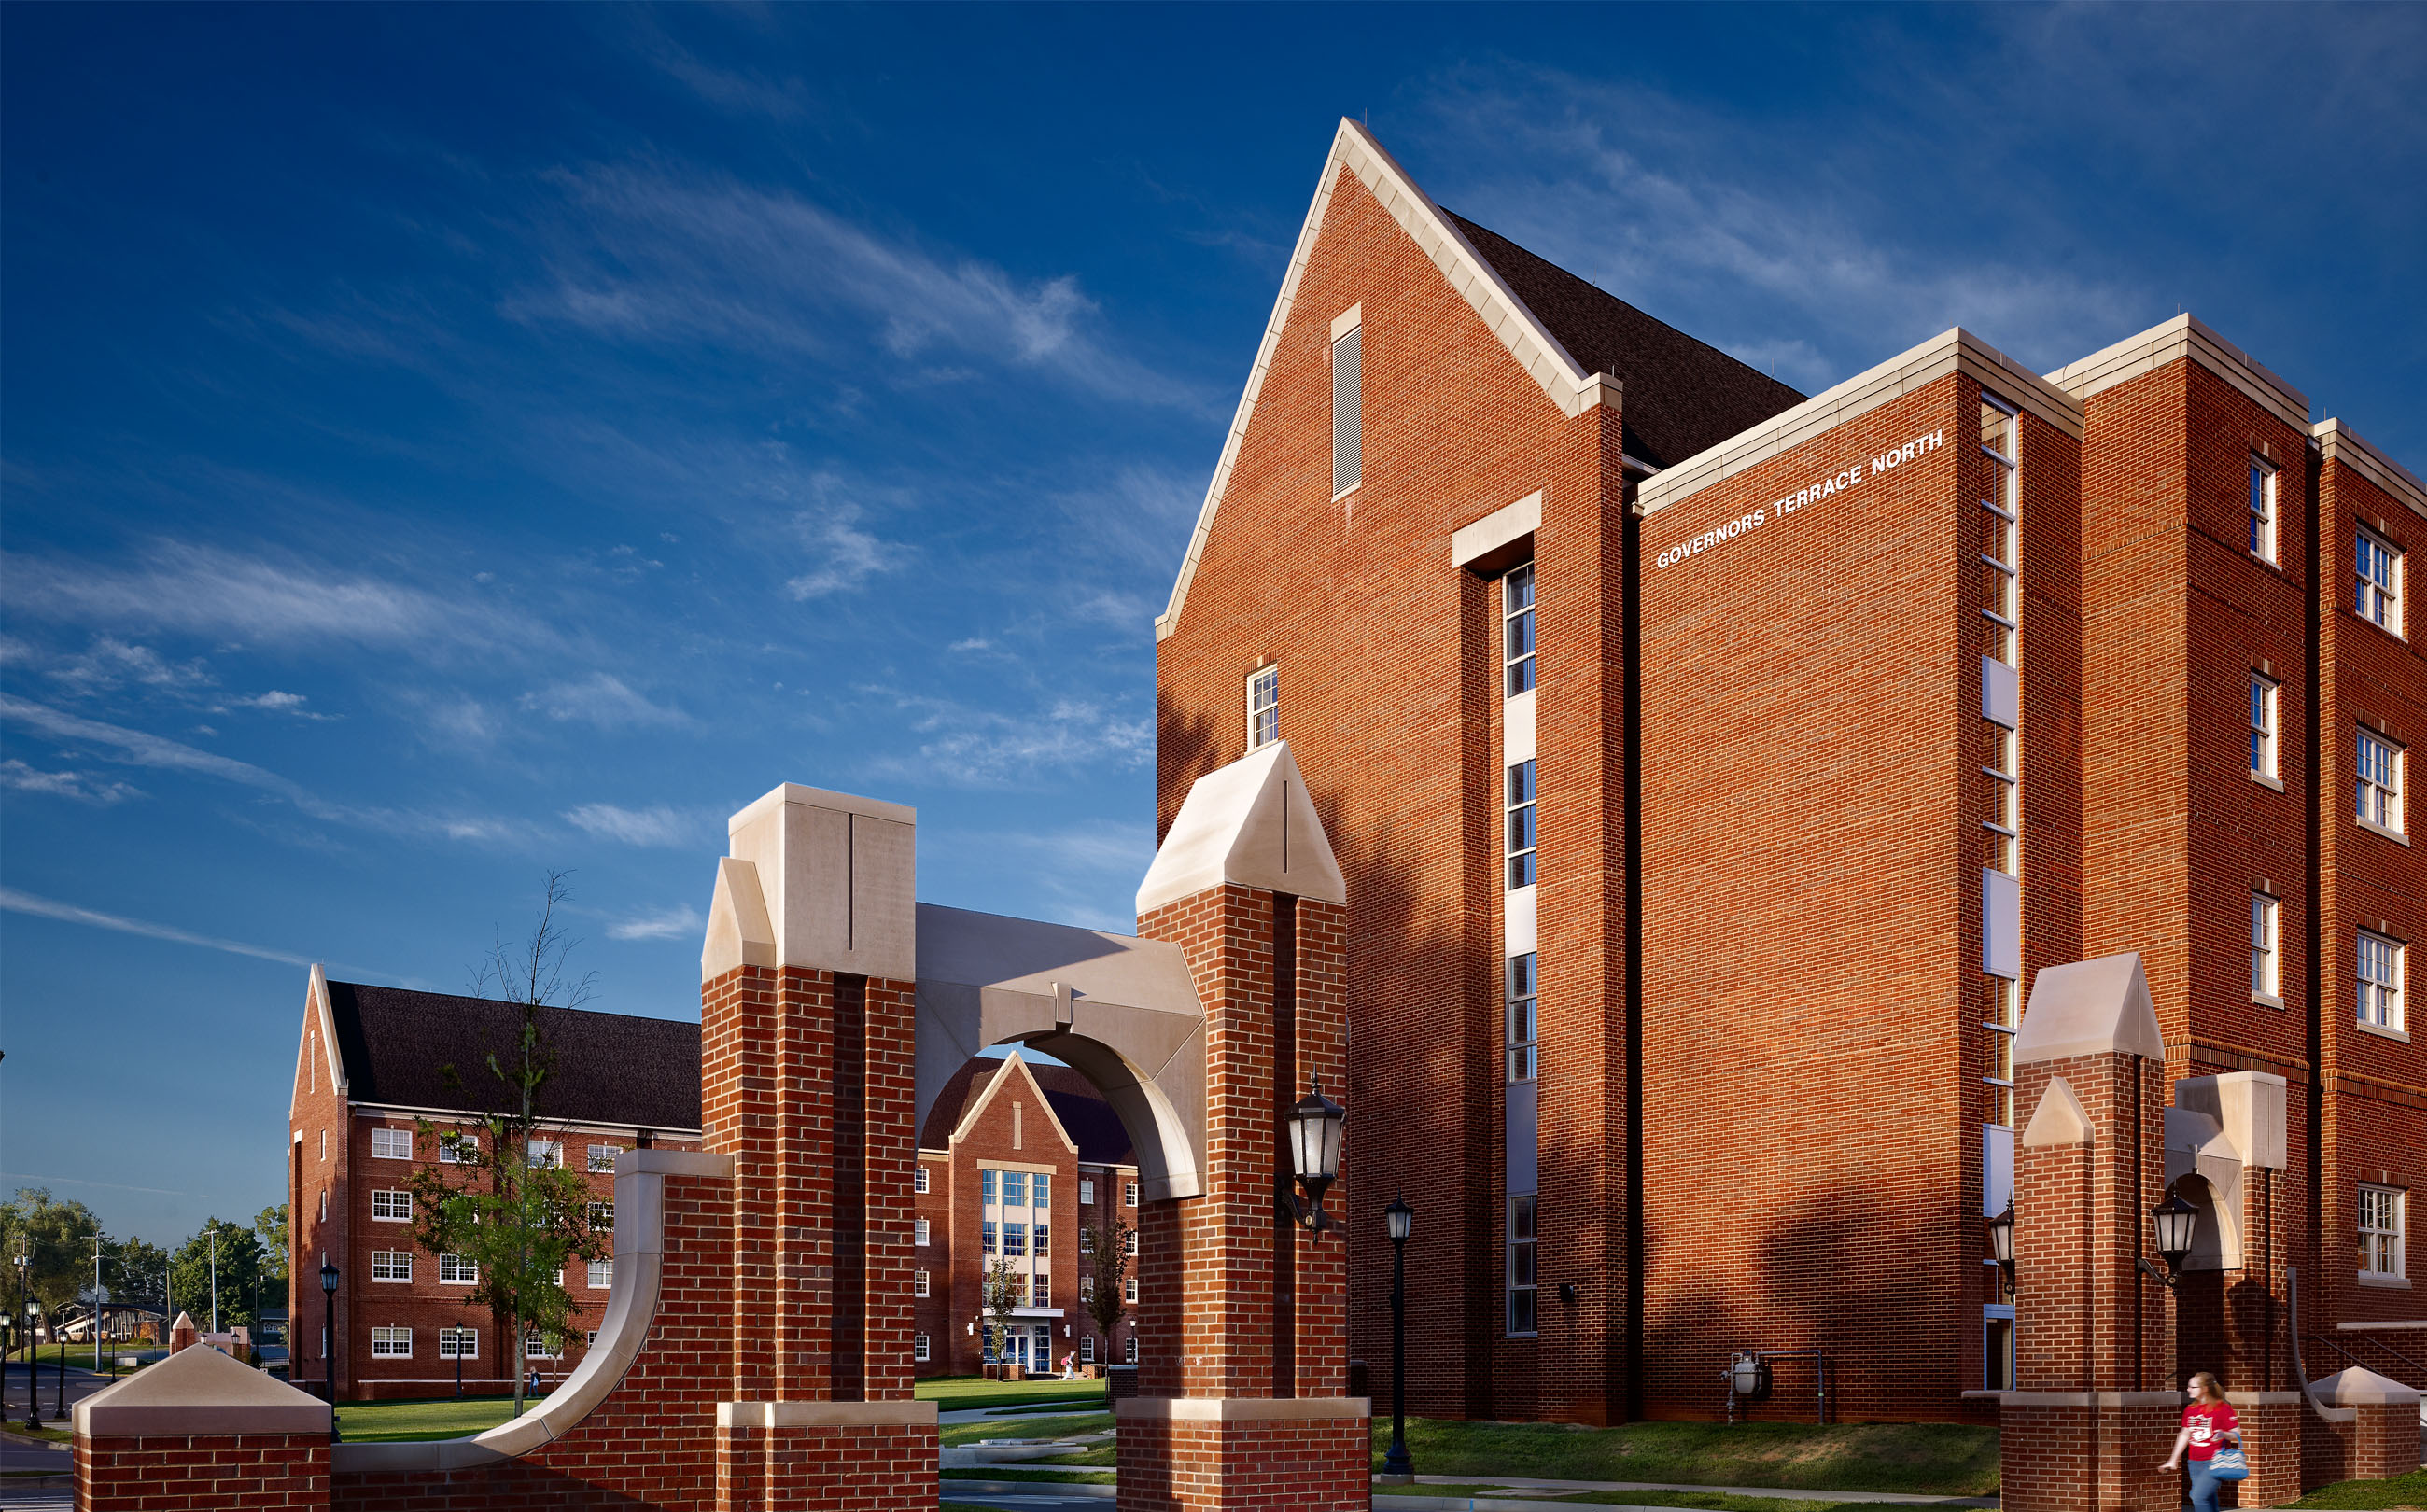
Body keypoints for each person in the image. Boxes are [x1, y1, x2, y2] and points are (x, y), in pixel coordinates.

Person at [2163, 1371, 2241, 1512]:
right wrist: (2173, 1459)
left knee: (2198, 1496)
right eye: (2189, 1387)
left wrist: (2224, 1434)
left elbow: (2236, 1432)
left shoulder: (2222, 1408)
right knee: (2207, 1497)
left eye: (2192, 1387)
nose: (2188, 1390)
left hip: (2215, 1461)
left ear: (2205, 1389)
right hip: (2194, 1462)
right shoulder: (2191, 1409)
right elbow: (2185, 1434)